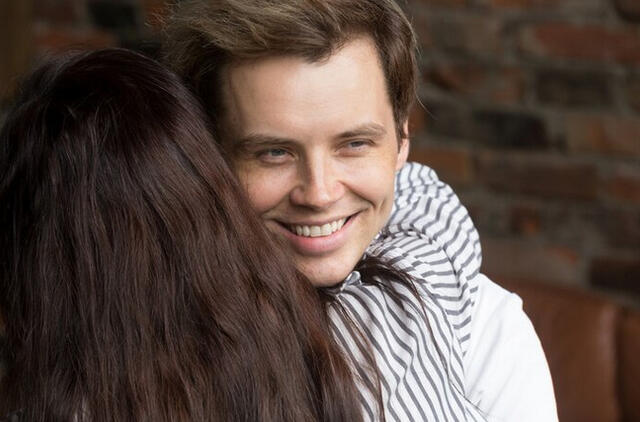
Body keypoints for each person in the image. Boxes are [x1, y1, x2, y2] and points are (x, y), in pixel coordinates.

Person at [163, 0, 559, 420]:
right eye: (274, 152)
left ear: (401, 140)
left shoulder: (486, 332)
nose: (319, 194)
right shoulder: (149, 331)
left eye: (353, 144)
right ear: (211, 155)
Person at [0, 48, 363, 421]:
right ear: (210, 178)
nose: (319, 194)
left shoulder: (49, 407)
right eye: (273, 152)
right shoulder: (349, 332)